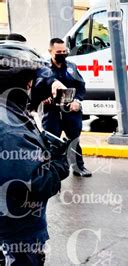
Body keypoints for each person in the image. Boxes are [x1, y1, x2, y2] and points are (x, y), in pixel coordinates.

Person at [0, 46, 70, 266]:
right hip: (17, 232)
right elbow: (33, 184)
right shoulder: (9, 127)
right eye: (29, 80)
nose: (33, 85)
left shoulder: (11, 112)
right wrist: (59, 162)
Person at [42, 38, 91, 177]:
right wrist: (42, 98)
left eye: (65, 51)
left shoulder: (72, 67)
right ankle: (53, 171)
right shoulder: (43, 69)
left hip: (71, 110)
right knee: (51, 142)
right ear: (50, 51)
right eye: (59, 52)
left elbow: (81, 87)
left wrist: (77, 101)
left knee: (74, 140)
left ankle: (78, 167)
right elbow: (35, 88)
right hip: (51, 112)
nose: (62, 54)